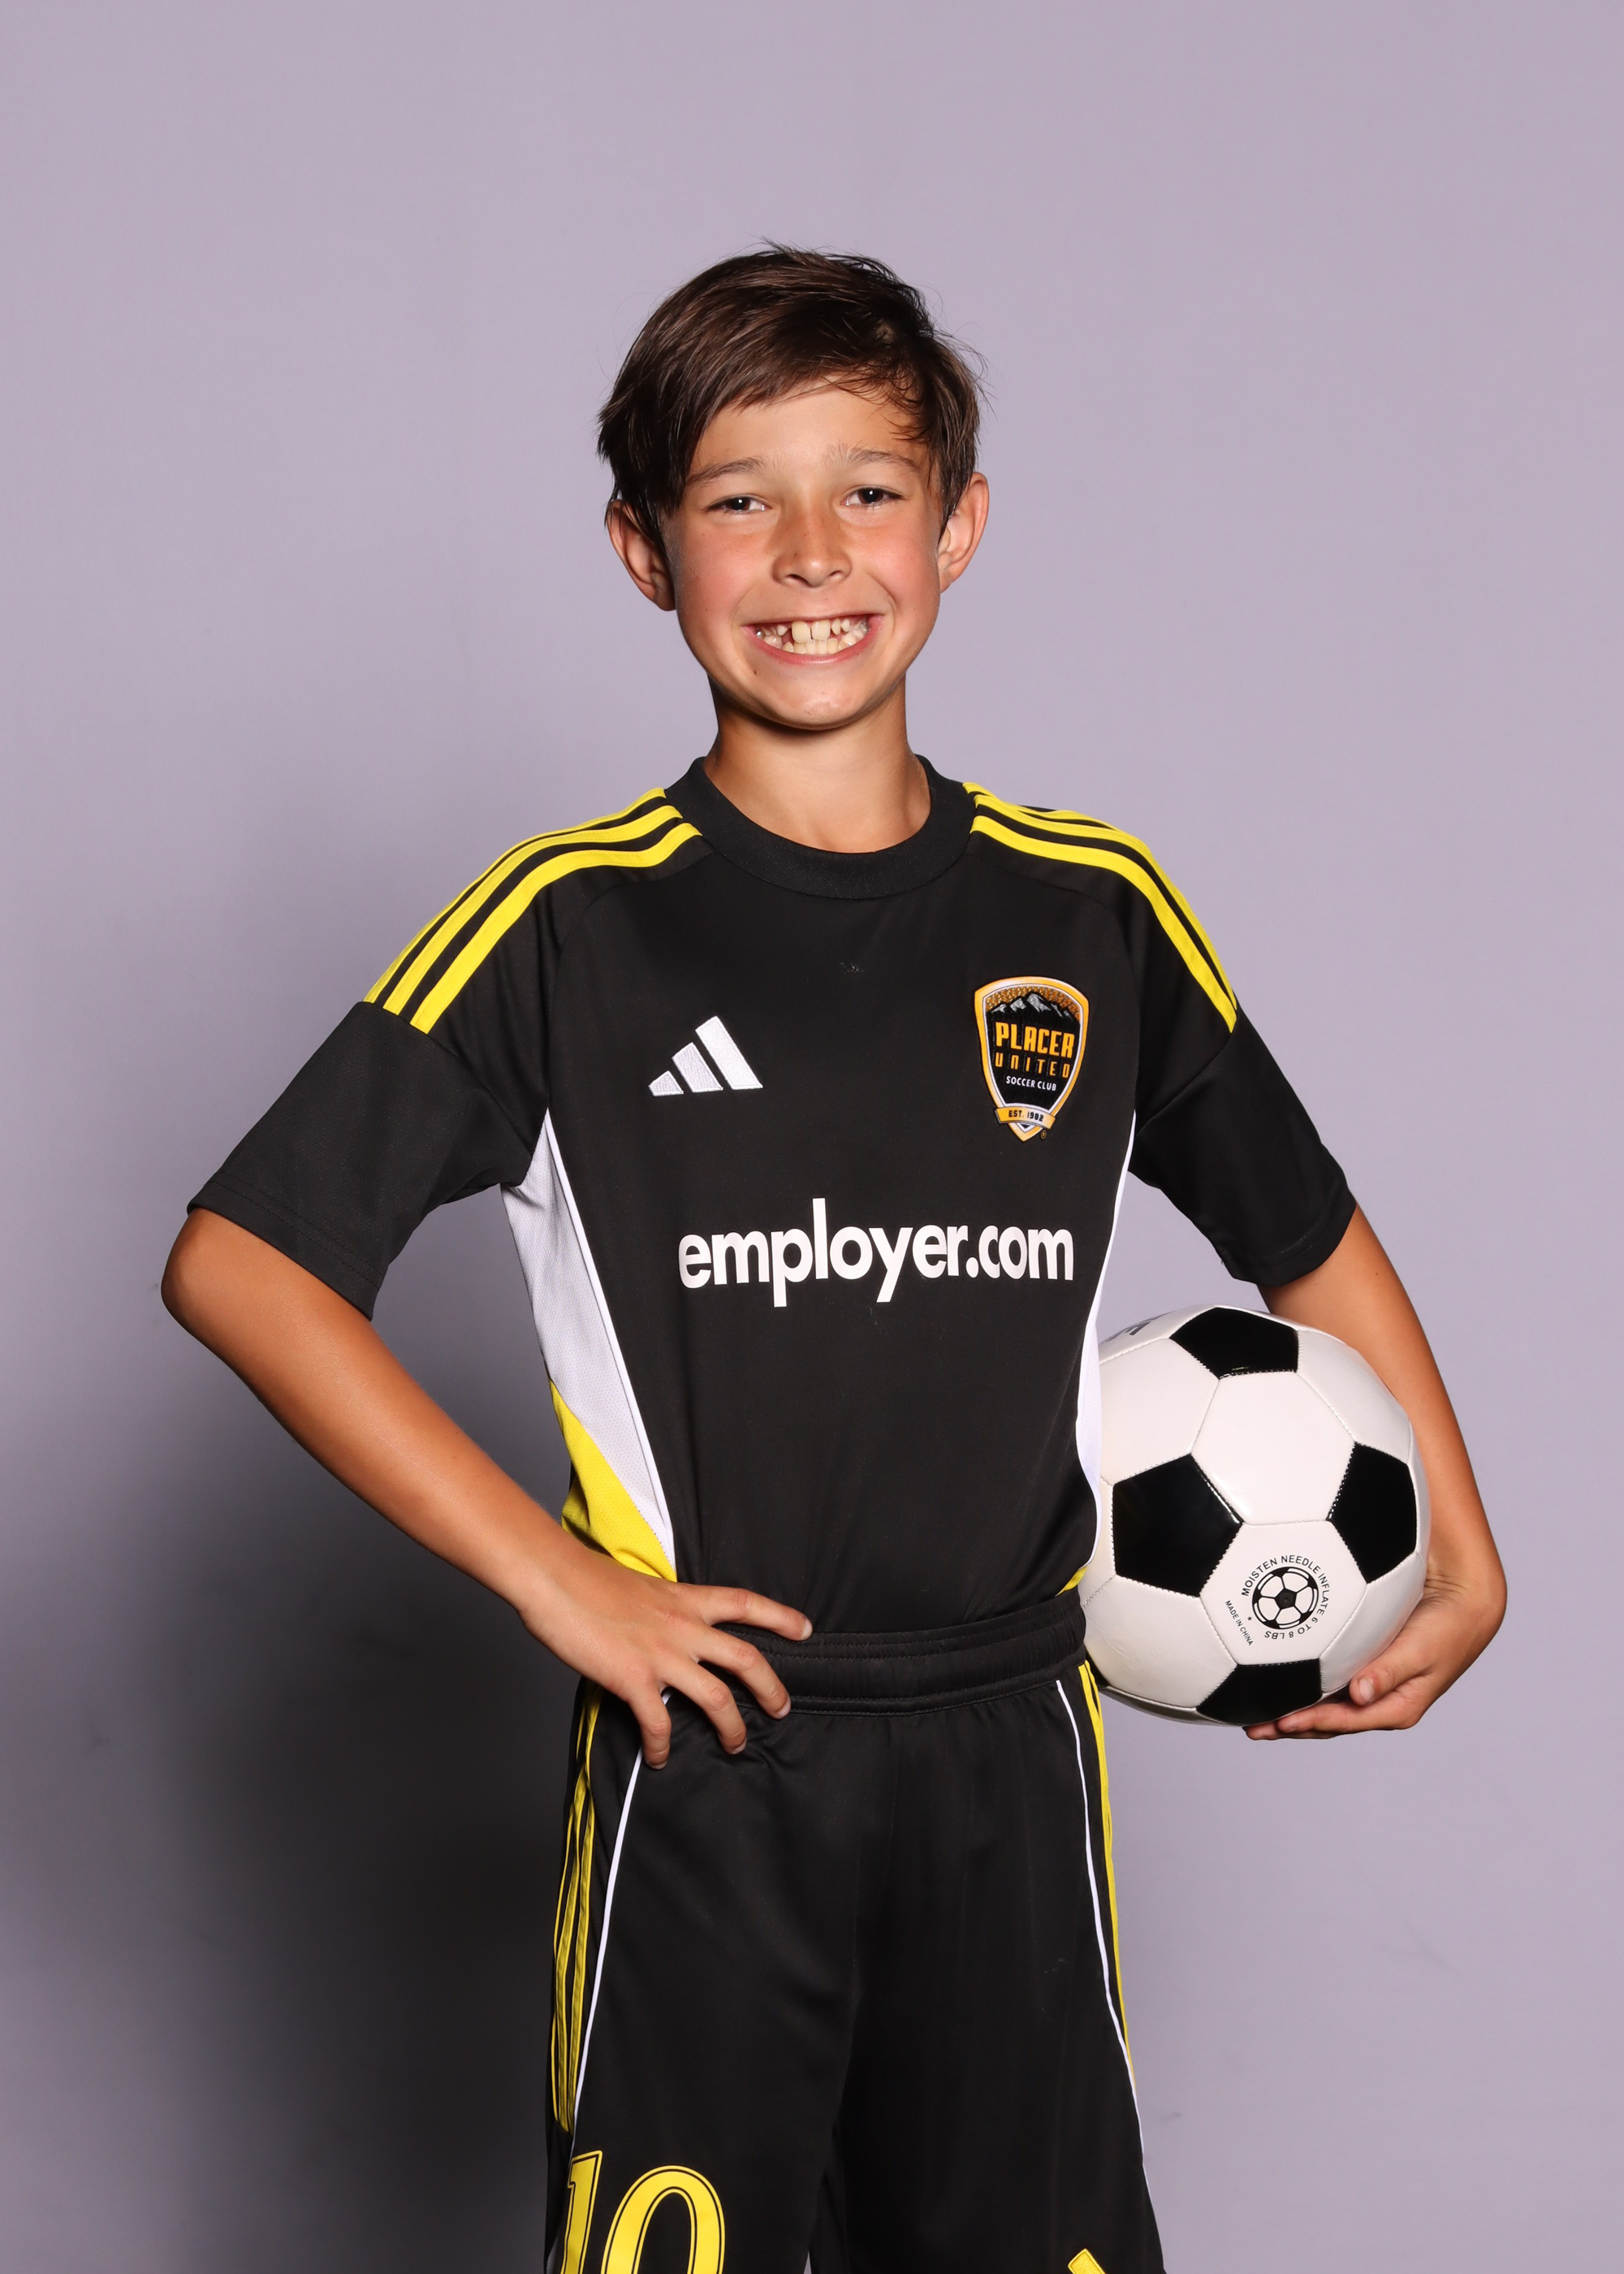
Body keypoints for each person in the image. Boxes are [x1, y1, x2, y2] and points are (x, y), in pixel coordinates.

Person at [162, 248, 1505, 2274]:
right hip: (711, 1763)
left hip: (1011, 1750)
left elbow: (1299, 1229)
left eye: (869, 489)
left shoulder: (1090, 907)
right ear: (644, 550)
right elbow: (243, 1260)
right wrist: (561, 1582)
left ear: (958, 525)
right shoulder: (568, 924)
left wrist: (1459, 1542)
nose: (810, 551)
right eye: (739, 497)